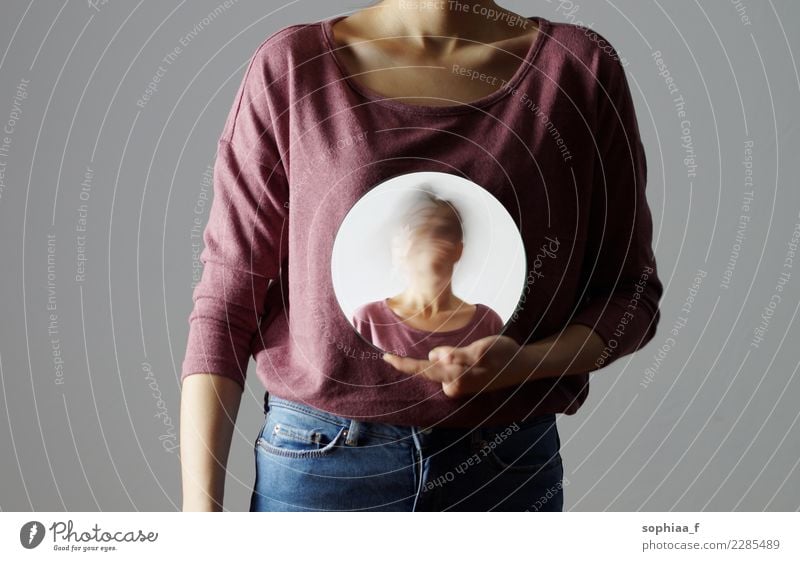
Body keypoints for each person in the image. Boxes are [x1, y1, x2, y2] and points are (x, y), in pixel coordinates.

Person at [180, 0, 663, 512]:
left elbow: (632, 296)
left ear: (458, 247)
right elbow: (228, 302)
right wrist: (200, 521)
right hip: (319, 465)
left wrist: (523, 364)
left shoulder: (578, 70)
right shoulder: (292, 66)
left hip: (501, 471)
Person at [352, 187, 505, 359]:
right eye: (418, 231)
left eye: (440, 232)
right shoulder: (369, 320)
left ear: (458, 250)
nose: (428, 243)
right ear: (398, 248)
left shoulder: (487, 323)